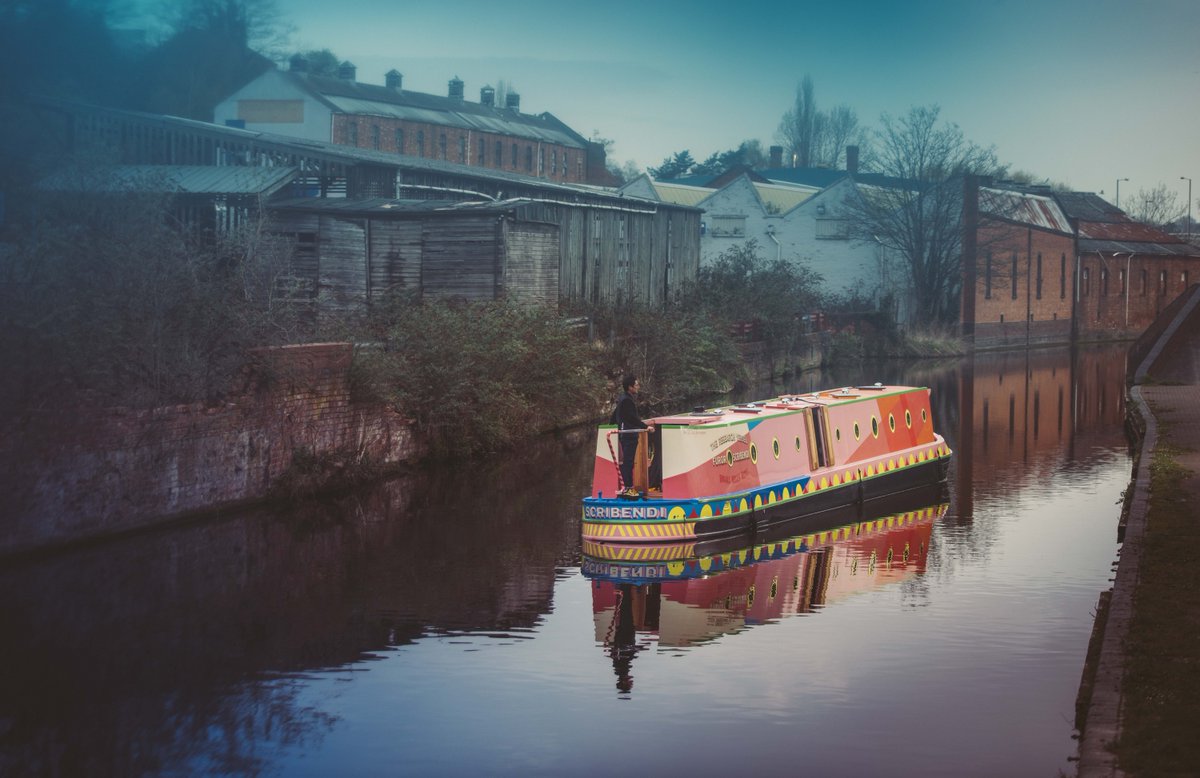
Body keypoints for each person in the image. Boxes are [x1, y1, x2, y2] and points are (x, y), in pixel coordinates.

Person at [612, 374, 654, 496]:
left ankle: (627, 487)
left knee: (627, 462)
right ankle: (629, 488)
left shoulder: (623, 398)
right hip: (629, 435)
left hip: (625, 434)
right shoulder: (627, 400)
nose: (638, 387)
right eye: (636, 385)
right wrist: (646, 427)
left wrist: (614, 426)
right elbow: (632, 418)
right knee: (628, 462)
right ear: (630, 387)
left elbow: (615, 415)